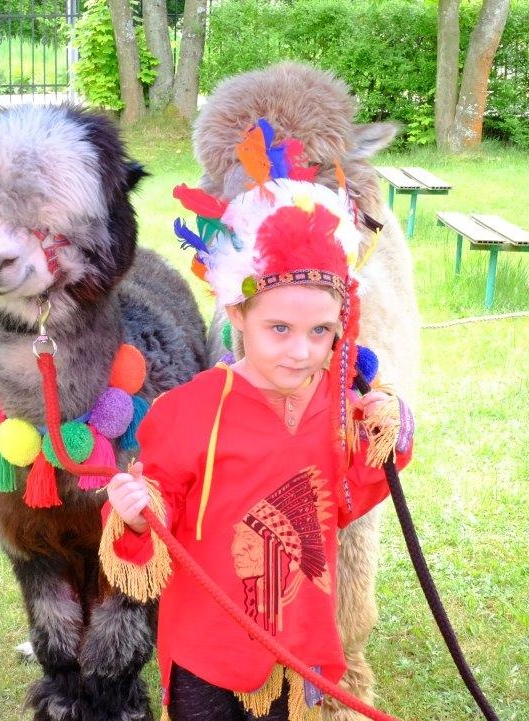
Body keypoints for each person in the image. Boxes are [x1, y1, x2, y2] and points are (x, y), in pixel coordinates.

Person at [99, 120, 415, 721]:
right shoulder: (185, 414)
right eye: (280, 328)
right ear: (237, 315)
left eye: (320, 331)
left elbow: (353, 494)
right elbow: (158, 517)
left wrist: (385, 431)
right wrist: (138, 516)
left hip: (300, 652)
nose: (300, 351)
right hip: (208, 656)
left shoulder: (336, 412)